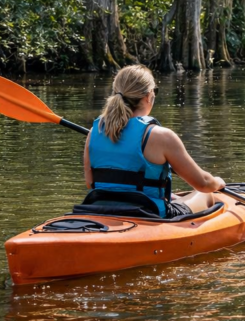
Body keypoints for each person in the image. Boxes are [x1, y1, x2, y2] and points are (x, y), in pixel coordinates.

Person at [81, 65, 226, 218]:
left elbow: (90, 184)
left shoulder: (94, 132)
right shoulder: (161, 136)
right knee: (205, 195)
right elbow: (203, 183)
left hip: (98, 209)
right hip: (148, 213)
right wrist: (217, 182)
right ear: (149, 96)